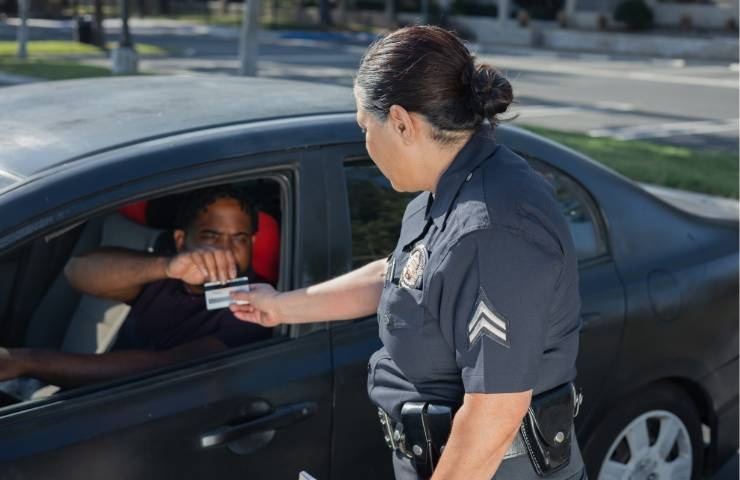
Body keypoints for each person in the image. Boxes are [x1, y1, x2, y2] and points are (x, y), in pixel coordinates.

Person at [229, 26, 586, 480]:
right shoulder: (446, 189)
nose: (365, 143)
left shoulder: (489, 231)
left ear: (400, 121)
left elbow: (493, 414)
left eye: (364, 127)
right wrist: (280, 307)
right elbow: (404, 276)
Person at [0, 186, 272, 390]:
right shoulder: (169, 273)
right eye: (210, 236)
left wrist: (28, 361)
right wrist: (166, 266)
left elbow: (164, 366)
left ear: (253, 242)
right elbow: (78, 272)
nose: (223, 250)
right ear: (180, 240)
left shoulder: (258, 304)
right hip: (91, 398)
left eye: (239, 239)